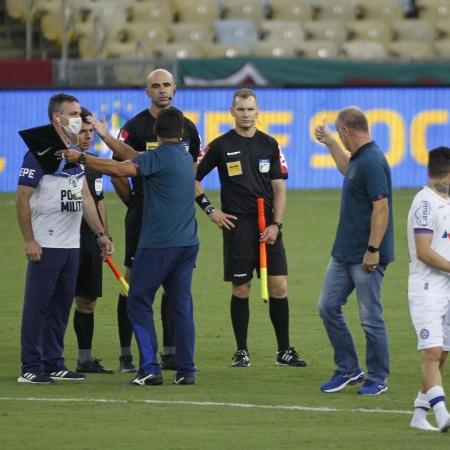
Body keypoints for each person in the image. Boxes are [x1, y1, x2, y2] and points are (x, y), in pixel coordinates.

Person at [59, 107, 199, 386]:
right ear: (181, 132)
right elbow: (133, 157)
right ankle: (186, 370)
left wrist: (83, 158)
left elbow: (121, 168)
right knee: (181, 305)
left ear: (156, 131)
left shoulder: (156, 158)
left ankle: (150, 369)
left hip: (159, 244)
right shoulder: (184, 158)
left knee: (137, 300)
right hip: (188, 243)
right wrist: (104, 134)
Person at [89, 69, 201, 372]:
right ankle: (138, 356)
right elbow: (126, 160)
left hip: (163, 227)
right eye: (156, 86)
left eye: (167, 85)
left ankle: (158, 360)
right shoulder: (139, 128)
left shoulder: (181, 135)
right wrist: (134, 204)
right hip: (168, 227)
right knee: (162, 294)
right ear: (147, 91)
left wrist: (83, 156)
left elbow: (123, 166)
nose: (162, 90)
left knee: (141, 293)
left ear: (174, 89)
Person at [195, 88, 306, 368]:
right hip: (238, 226)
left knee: (279, 287)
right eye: (241, 109)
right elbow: (191, 178)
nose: (246, 114)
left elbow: (279, 188)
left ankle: (284, 351)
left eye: (250, 109)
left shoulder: (270, 144)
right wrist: (211, 211)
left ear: (258, 111)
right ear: (232, 111)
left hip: (268, 226)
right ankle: (241, 350)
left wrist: (276, 224)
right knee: (241, 288)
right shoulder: (219, 145)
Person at [16, 93, 112, 384]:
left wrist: (100, 234)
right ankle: (31, 366)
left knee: (60, 308)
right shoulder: (38, 153)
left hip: (72, 243)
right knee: (38, 306)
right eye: (73, 114)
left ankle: (54, 362)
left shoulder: (74, 154)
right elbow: (22, 199)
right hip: (46, 242)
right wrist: (30, 240)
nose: (78, 119)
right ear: (57, 117)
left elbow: (85, 198)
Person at [314, 106, 394, 395]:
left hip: (365, 256)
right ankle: (349, 368)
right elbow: (347, 168)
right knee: (327, 306)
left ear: (347, 130)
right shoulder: (360, 159)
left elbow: (381, 208)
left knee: (370, 318)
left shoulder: (372, 161)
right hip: (344, 252)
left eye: (339, 133)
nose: (340, 138)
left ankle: (378, 377)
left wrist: (373, 249)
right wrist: (331, 143)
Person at [407, 147, 450, 432]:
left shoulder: (446, 201)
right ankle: (442, 412)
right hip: (426, 288)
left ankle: (419, 414)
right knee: (432, 351)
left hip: (446, 288)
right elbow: (423, 252)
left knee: (442, 354)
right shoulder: (425, 204)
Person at [73, 107, 114, 374]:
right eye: (82, 131)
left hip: (90, 239)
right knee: (55, 300)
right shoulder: (55, 162)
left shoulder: (94, 163)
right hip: (64, 238)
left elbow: (99, 201)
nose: (88, 136)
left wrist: (105, 235)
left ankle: (84, 359)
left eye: (90, 131)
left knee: (87, 301)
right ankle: (43, 357)